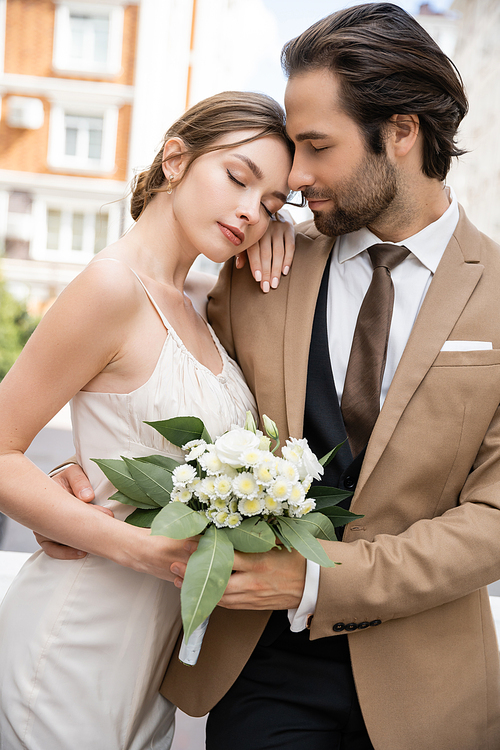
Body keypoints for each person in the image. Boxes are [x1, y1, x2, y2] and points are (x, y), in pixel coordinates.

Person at [45, 3, 500, 749]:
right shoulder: (264, 267)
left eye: (316, 146)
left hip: (431, 684)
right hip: (257, 667)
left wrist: (320, 580)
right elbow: (174, 385)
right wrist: (91, 469)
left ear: (403, 131)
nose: (296, 175)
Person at [0, 90, 294, 750]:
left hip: (151, 662)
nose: (250, 212)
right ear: (175, 159)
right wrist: (145, 550)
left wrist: (283, 231)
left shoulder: (201, 304)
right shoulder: (112, 287)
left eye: (271, 204)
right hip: (73, 640)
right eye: (238, 178)